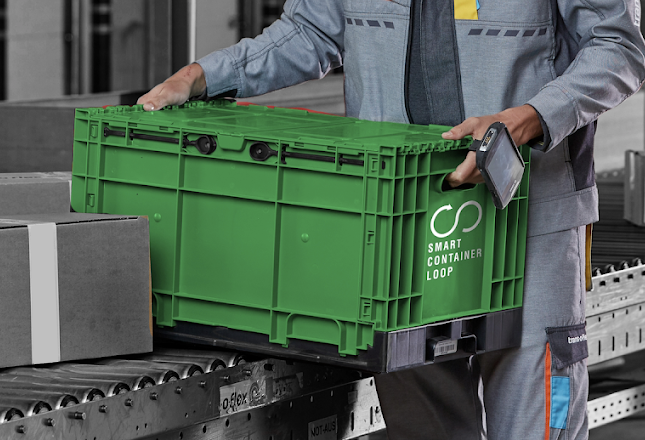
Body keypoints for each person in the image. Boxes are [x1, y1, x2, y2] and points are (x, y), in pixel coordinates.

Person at [138, 1, 645, 438]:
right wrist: (204, 75)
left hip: (531, 217)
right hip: (401, 220)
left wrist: (530, 117)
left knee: (538, 423)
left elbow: (620, 48)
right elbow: (310, 31)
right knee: (424, 425)